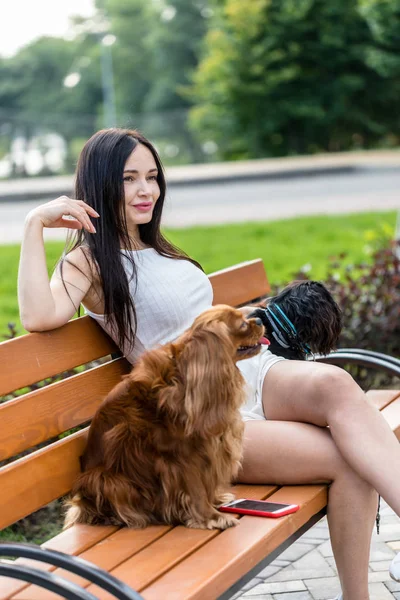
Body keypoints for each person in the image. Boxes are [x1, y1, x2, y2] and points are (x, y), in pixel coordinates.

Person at [18, 128, 400, 600]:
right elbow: (38, 315)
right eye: (129, 179)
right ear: (99, 184)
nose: (146, 191)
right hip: (206, 415)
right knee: (353, 460)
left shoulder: (159, 247)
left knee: (339, 384)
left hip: (249, 374)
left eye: (153, 177)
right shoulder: (90, 263)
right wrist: (35, 223)